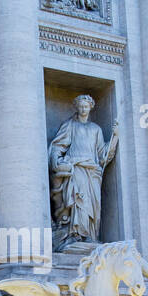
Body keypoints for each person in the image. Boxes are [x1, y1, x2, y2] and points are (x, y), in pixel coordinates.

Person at [48, 94, 118, 248]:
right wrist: (57, 161)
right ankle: (75, 234)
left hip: (92, 171)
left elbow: (103, 154)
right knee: (79, 202)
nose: (83, 109)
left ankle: (90, 236)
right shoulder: (70, 125)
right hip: (76, 168)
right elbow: (58, 146)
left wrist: (115, 138)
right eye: (80, 106)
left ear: (90, 107)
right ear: (76, 107)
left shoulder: (96, 129)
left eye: (85, 106)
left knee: (92, 205)